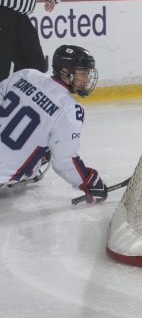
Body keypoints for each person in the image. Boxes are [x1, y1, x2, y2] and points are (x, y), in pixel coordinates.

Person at [0, 45, 107, 203]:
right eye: (82, 73)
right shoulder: (69, 109)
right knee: (47, 145)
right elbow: (65, 161)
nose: (86, 79)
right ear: (65, 71)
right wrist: (89, 181)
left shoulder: (26, 74)